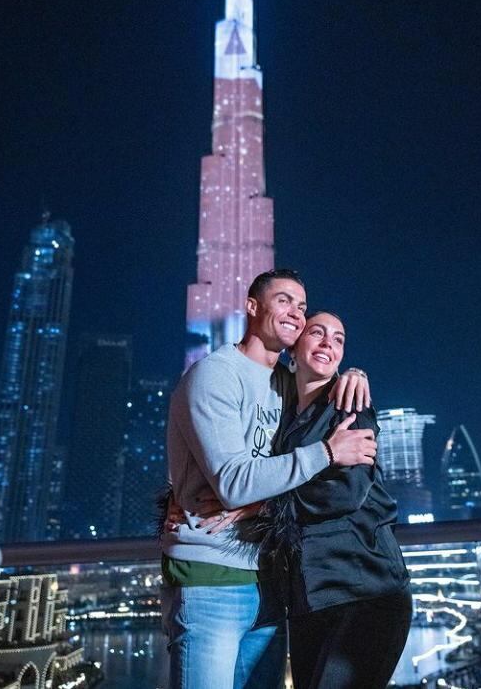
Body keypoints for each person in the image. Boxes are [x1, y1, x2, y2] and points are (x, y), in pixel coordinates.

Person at [161, 269, 376, 689]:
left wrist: (356, 374)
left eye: (301, 305)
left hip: (271, 580)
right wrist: (329, 452)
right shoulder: (215, 375)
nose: (295, 313)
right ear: (252, 306)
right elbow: (234, 484)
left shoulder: (287, 384)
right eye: (284, 300)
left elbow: (325, 374)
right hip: (211, 577)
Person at [255, 311, 412, 689]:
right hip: (309, 600)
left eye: (339, 339)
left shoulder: (349, 407)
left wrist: (259, 506)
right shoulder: (282, 413)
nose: (329, 343)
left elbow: (343, 493)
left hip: (366, 594)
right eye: (318, 333)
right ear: (295, 344)